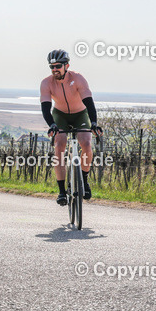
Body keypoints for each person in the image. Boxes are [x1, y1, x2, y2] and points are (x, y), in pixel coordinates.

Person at [39, 49, 101, 205]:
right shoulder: (46, 83)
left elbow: (89, 103)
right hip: (60, 115)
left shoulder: (78, 79)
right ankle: (61, 191)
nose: (54, 70)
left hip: (80, 113)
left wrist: (93, 122)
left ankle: (84, 181)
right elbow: (46, 108)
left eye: (58, 66)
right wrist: (52, 125)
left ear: (66, 65)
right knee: (59, 145)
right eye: (51, 67)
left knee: (86, 144)